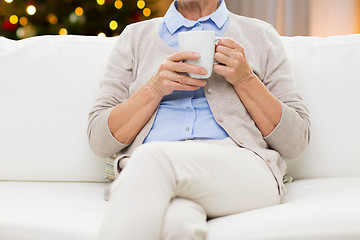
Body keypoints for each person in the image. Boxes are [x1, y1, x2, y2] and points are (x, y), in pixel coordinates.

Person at [87, 0, 310, 239]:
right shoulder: (135, 37)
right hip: (154, 174)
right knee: (178, 224)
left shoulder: (260, 34)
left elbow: (296, 142)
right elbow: (100, 140)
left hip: (244, 169)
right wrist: (153, 89)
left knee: (153, 158)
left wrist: (246, 80)